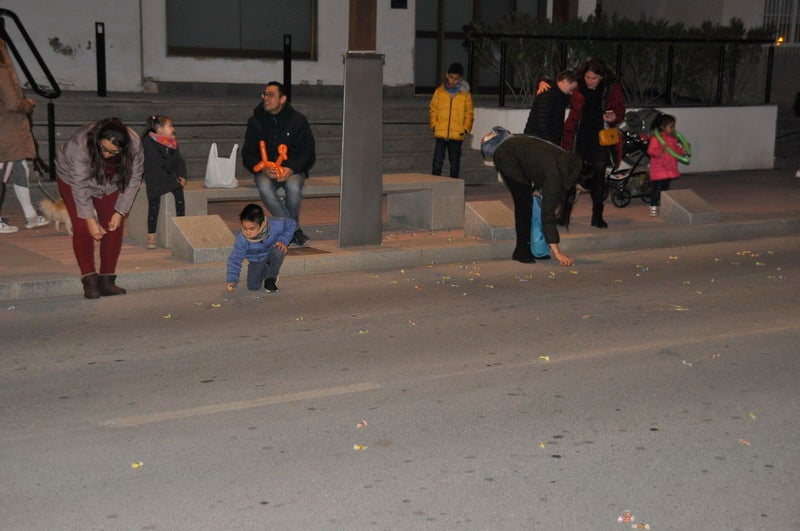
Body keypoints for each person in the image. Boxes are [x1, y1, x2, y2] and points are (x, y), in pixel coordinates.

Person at [55, 118, 144, 299]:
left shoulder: (134, 145)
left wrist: (120, 212)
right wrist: (90, 220)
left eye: (113, 151)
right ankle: (89, 280)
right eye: (103, 148)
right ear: (97, 140)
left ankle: (107, 280)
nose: (106, 154)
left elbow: (134, 179)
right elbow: (79, 186)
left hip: (110, 180)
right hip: (73, 180)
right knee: (82, 226)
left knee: (114, 225)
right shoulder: (80, 144)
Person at [242, 81, 315, 247]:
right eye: (264, 94)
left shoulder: (298, 121)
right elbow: (247, 154)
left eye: (271, 95)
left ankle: (288, 231)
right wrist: (264, 168)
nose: (265, 98)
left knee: (294, 187)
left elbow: (308, 153)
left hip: (291, 169)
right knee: (264, 185)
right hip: (266, 171)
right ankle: (294, 231)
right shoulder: (255, 121)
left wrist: (291, 169)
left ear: (282, 99)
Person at [492, 134, 582, 266]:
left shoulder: (571, 163)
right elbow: (548, 215)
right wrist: (558, 253)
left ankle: (530, 249)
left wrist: (537, 187)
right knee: (524, 205)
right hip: (507, 157)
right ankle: (521, 251)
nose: (578, 192)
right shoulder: (555, 179)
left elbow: (540, 166)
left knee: (528, 201)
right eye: (579, 189)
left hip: (519, 151)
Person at [562, 58, 626, 229]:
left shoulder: (611, 88)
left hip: (601, 138)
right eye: (587, 77)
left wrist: (614, 117)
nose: (590, 81)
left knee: (599, 177)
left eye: (594, 78)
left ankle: (597, 216)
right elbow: (558, 83)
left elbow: (620, 111)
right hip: (579, 137)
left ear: (602, 77)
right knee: (571, 176)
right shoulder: (577, 84)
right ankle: (563, 215)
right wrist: (541, 83)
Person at [0, 37, 49, 233]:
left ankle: (30, 216)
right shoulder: (2, 71)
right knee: (3, 173)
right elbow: (13, 103)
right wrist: (27, 104)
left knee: (20, 168)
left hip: (6, 129)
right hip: (7, 129)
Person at [226, 203, 296, 294]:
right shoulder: (242, 239)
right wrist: (232, 280)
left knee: (279, 250)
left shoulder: (276, 224)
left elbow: (292, 224)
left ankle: (271, 277)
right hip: (256, 259)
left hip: (272, 251)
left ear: (262, 223)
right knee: (253, 287)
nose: (247, 232)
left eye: (251, 229)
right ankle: (266, 269)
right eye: (244, 228)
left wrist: (283, 241)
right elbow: (235, 259)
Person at [141, 114, 187, 249]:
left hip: (170, 177)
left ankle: (182, 227)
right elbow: (151, 163)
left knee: (179, 194)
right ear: (160, 129)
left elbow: (179, 161)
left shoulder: (171, 142)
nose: (173, 129)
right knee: (154, 203)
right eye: (170, 126)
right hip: (155, 177)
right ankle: (151, 235)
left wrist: (182, 175)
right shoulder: (147, 142)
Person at [429, 62, 474, 179]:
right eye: (451, 77)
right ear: (447, 75)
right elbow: (433, 109)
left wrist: (465, 129)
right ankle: (435, 184)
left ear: (461, 79)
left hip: (457, 133)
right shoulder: (439, 91)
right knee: (437, 162)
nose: (453, 81)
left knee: (454, 163)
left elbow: (469, 113)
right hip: (441, 132)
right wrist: (434, 125)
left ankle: (454, 186)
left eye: (456, 79)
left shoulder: (465, 95)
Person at [523, 70, 578, 145]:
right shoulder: (548, 95)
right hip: (539, 142)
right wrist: (550, 144)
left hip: (542, 140)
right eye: (571, 89)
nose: (571, 92)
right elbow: (542, 124)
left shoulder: (559, 95)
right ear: (564, 82)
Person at [647, 113, 685, 217]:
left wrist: (682, 151)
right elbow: (651, 151)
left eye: (674, 126)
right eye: (671, 126)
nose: (673, 129)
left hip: (669, 169)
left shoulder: (673, 139)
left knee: (664, 190)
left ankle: (663, 205)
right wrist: (660, 151)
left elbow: (676, 151)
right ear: (663, 127)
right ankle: (653, 206)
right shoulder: (656, 139)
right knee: (656, 190)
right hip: (659, 170)